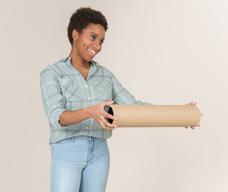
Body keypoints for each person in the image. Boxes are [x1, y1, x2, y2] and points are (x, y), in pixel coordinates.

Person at [40, 7, 201, 192]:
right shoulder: (52, 73)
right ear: (75, 34)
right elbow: (56, 116)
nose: (98, 46)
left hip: (99, 152)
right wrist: (91, 111)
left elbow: (132, 106)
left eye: (101, 41)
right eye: (93, 37)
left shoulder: (105, 76)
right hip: (67, 150)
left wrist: (181, 114)